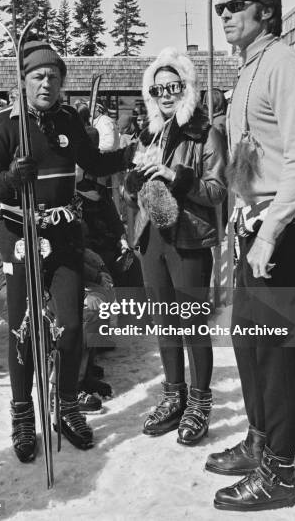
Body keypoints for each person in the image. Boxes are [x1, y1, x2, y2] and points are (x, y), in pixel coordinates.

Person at [0, 40, 135, 462]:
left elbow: (94, 164)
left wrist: (130, 155)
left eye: (53, 77)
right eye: (38, 76)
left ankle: (65, 405)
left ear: (62, 83)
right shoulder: (3, 125)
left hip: (64, 235)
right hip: (19, 234)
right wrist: (11, 177)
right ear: (23, 81)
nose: (46, 83)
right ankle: (23, 413)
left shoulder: (68, 119)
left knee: (70, 325)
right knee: (22, 330)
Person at [206, 0, 295, 512]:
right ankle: (259, 442)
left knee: (277, 352)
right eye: (221, 8)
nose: (226, 15)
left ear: (267, 11)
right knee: (249, 344)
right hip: (251, 225)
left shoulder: (289, 67)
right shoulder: (250, 68)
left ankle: (280, 473)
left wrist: (270, 233)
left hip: (281, 227)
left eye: (236, 5)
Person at [124, 47, 227, 445]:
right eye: (158, 88)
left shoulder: (205, 133)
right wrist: (135, 180)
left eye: (173, 86)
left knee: (191, 324)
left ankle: (200, 403)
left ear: (187, 88)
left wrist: (174, 174)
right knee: (166, 323)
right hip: (152, 238)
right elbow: (131, 189)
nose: (166, 94)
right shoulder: (148, 132)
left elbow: (217, 191)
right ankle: (173, 396)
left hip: (189, 241)